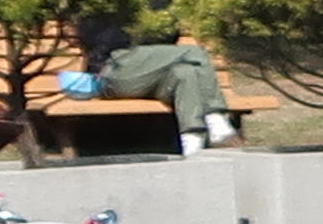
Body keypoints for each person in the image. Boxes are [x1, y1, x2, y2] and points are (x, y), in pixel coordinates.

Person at [65, 33, 237, 147]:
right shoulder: (114, 2)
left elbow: (165, 37)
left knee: (185, 73)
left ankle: (192, 143)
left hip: (148, 78)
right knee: (194, 52)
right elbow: (109, 40)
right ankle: (215, 116)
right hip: (115, 71)